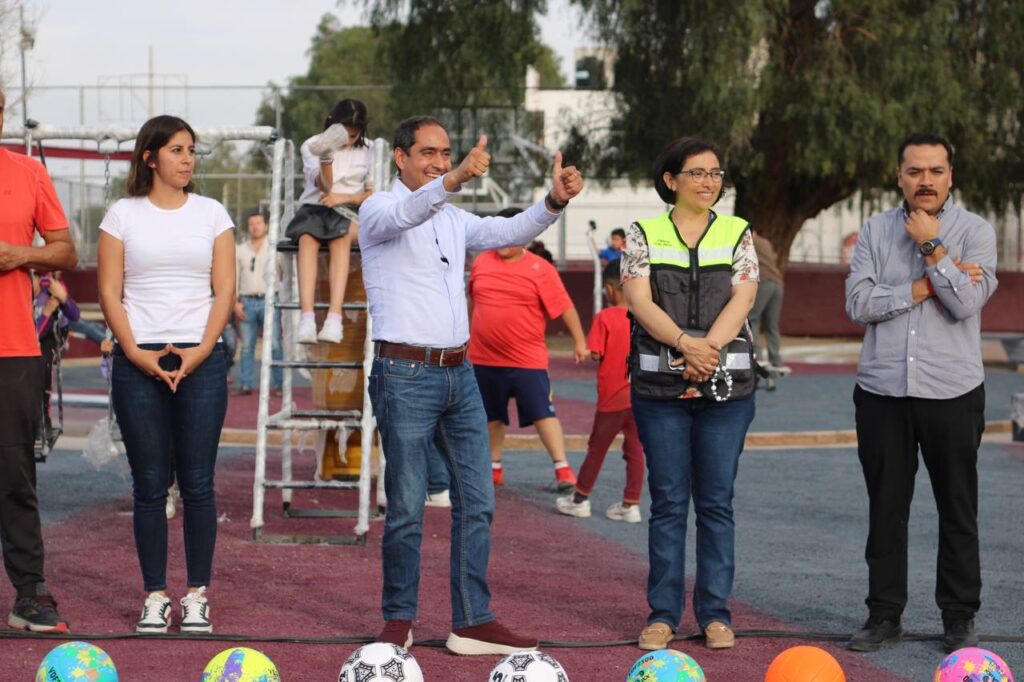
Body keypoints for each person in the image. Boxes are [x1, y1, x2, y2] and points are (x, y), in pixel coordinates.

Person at [359, 115, 583, 655]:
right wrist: (455, 178)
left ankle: (472, 621)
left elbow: (508, 231)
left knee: (477, 501)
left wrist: (552, 203)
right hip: (404, 375)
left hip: (461, 373)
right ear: (400, 157)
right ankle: (399, 620)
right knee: (408, 506)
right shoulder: (377, 209)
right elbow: (412, 211)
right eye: (429, 153)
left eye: (446, 153)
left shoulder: (453, 219)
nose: (439, 161)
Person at [844, 132, 996, 654]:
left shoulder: (976, 232)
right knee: (886, 508)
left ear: (950, 175)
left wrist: (933, 247)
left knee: (957, 509)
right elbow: (858, 304)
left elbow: (967, 303)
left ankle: (959, 617)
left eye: (935, 171)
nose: (925, 181)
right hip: (882, 391)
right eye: (914, 171)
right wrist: (927, 284)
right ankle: (883, 616)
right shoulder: (874, 230)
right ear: (899, 177)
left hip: (952, 391)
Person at [98, 115, 234, 635]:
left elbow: (224, 290)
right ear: (149, 157)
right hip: (139, 362)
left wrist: (201, 352)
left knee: (198, 484)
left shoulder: (212, 213)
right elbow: (110, 291)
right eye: (177, 150)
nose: (187, 159)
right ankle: (155, 595)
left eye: (192, 150)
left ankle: (196, 594)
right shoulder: (121, 214)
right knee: (150, 486)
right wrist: (133, 350)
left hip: (201, 359)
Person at [623, 137, 758, 651]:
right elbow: (637, 299)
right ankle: (662, 614)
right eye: (697, 173)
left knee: (717, 503)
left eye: (716, 173)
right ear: (670, 180)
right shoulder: (643, 234)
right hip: (660, 390)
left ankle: (715, 614)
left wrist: (708, 350)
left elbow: (744, 295)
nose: (708, 182)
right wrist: (684, 344)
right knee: (669, 502)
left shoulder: (738, 232)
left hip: (728, 391)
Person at [0, 87, 77, 633]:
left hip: (13, 348)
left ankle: (29, 594)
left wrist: (19, 255)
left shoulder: (27, 172)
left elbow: (66, 250)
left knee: (14, 475)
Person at [467, 206, 588, 491]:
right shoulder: (481, 263)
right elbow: (472, 303)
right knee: (491, 416)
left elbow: (566, 307)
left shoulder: (540, 269)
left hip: (527, 360)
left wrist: (580, 341)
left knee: (542, 413)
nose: (506, 241)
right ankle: (494, 468)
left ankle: (562, 469)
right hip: (483, 359)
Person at [556, 259, 645, 522]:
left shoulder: (605, 317)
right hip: (640, 396)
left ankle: (579, 498)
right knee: (635, 450)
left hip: (612, 398)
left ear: (610, 288)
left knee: (597, 448)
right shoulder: (646, 317)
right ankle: (631, 504)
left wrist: (583, 350)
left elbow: (595, 352)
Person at [285, 98, 374, 344]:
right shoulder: (313, 145)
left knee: (341, 237)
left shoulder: (369, 151)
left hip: (348, 211)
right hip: (315, 208)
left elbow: (372, 193)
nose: (348, 140)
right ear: (331, 122)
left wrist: (344, 197)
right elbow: (323, 185)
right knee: (306, 239)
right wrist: (326, 158)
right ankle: (307, 317)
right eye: (344, 134)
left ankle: (334, 317)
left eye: (354, 136)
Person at [233, 211, 283, 397]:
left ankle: (279, 385)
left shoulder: (275, 248)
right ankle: (246, 384)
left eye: (258, 223)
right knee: (246, 346)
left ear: (266, 225)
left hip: (270, 301)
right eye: (251, 223)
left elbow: (285, 274)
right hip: (246, 302)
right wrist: (235, 303)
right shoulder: (240, 249)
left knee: (275, 344)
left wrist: (282, 299)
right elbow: (234, 277)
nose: (255, 226)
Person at [32, 270, 81, 444]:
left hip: (50, 339)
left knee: (43, 360)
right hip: (31, 339)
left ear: (39, 278)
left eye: (32, 278)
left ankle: (43, 419)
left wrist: (63, 297)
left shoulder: (49, 288)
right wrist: (46, 312)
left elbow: (75, 315)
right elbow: (31, 334)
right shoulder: (19, 296)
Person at [748, 230, 790, 374]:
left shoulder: (749, 241)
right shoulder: (765, 242)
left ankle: (758, 357)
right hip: (777, 283)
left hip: (764, 282)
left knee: (752, 318)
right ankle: (776, 360)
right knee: (772, 324)